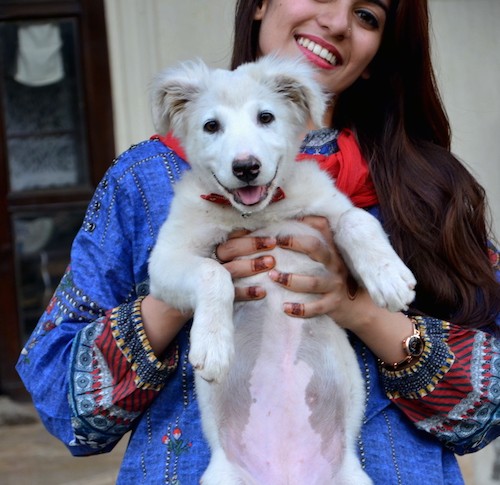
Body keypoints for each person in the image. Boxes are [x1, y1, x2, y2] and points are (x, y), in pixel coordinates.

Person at [17, 0, 500, 483]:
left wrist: (362, 310)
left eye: (367, 15)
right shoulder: (144, 180)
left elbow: (488, 406)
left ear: (379, 54)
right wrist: (182, 298)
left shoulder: (429, 187)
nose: (336, 22)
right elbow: (62, 400)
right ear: (260, 4)